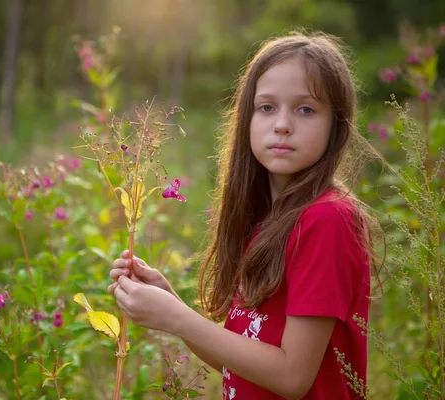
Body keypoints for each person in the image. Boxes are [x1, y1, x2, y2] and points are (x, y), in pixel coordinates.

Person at [107, 31, 383, 400]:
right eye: (267, 107)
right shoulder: (269, 220)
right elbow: (239, 359)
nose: (282, 124)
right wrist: (169, 301)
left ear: (336, 125)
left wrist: (176, 316)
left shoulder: (327, 219)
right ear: (247, 120)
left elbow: (291, 377)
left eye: (306, 109)